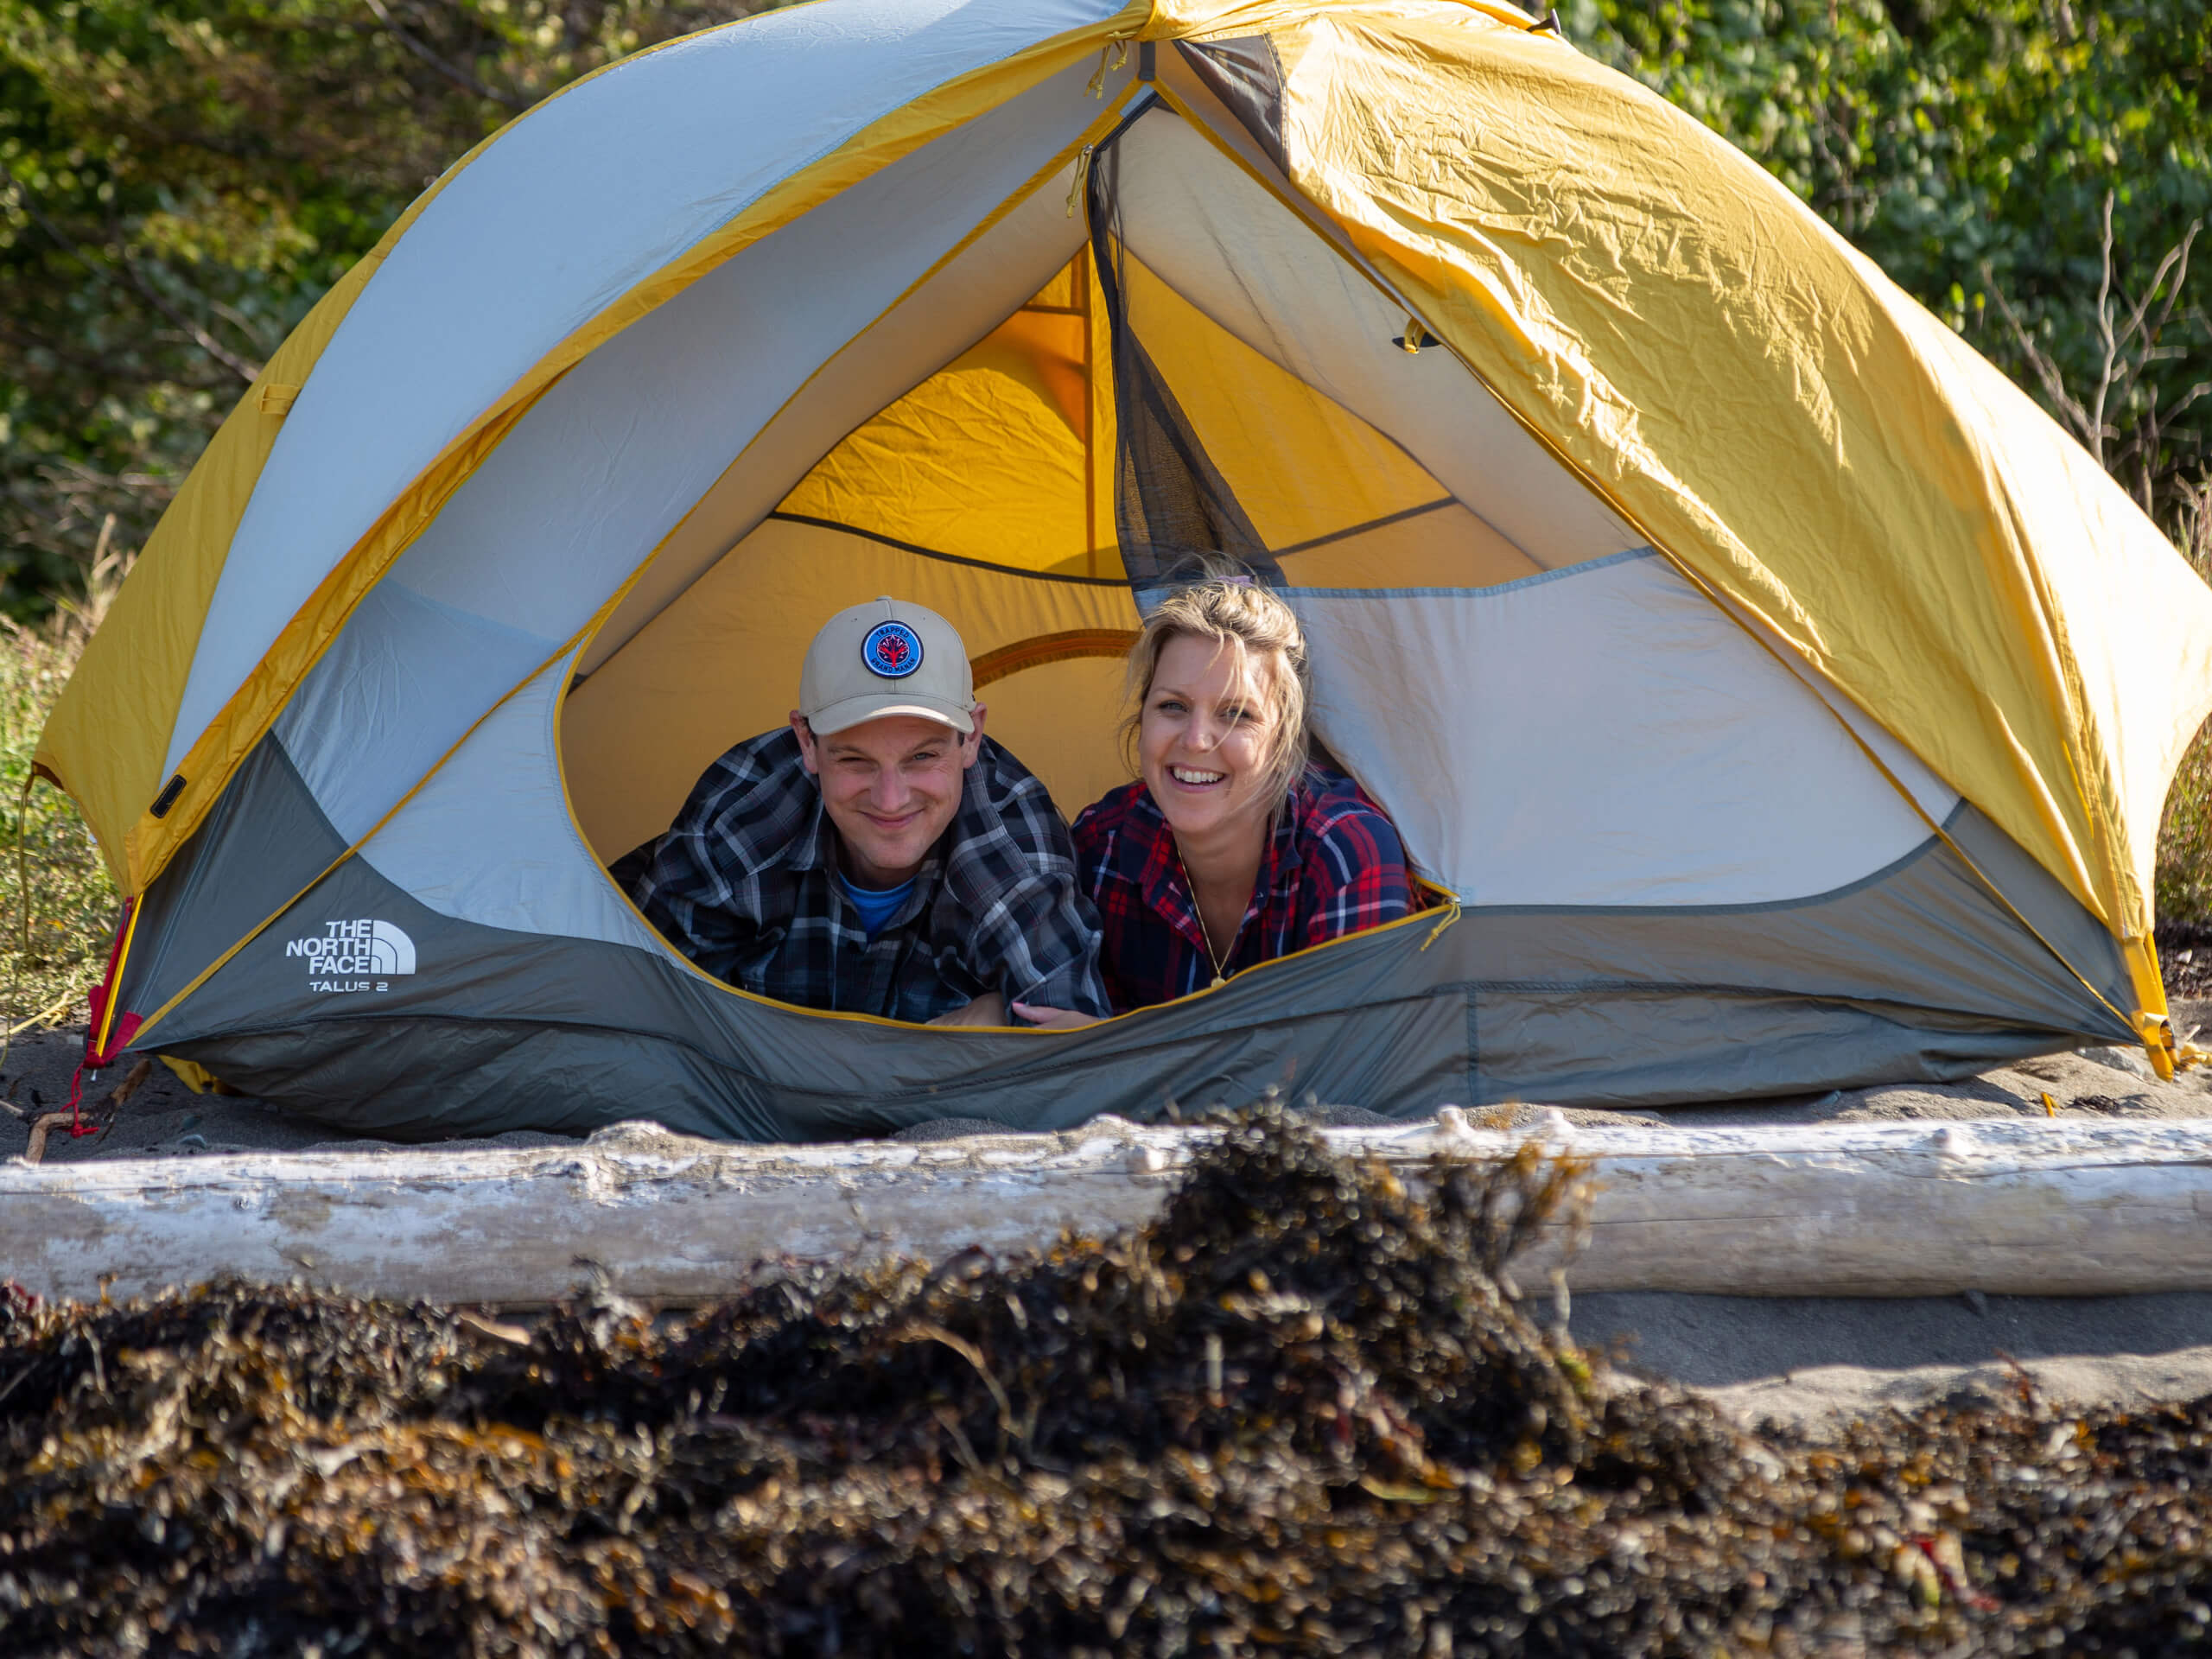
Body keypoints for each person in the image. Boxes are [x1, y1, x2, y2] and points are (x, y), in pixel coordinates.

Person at [623, 596, 1111, 1027]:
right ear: (806, 743)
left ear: (972, 738)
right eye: (855, 759)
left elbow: (1066, 1039)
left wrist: (1008, 1016)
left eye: (923, 757)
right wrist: (973, 1034)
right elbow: (639, 1009)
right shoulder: (739, 821)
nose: (891, 799)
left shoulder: (1015, 847)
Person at [1014, 574, 1422, 1026]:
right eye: (1173, 706)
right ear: (1142, 718)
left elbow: (1345, 1055)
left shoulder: (1346, 848)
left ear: (1283, 736)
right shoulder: (1103, 844)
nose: (1196, 739)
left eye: (1236, 714)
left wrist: (1115, 1050)